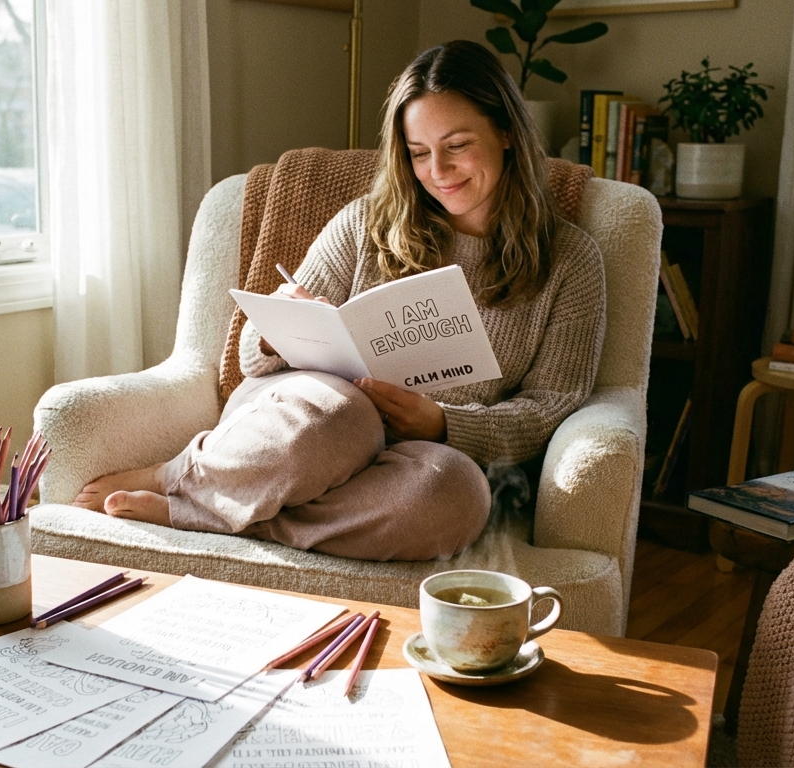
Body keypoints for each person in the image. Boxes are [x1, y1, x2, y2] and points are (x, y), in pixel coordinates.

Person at [74, 40, 606, 561]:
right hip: (305, 424)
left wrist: (445, 425)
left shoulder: (571, 261)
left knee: (458, 494)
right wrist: (284, 320)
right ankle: (180, 476)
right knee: (346, 415)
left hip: (424, 452)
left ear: (507, 133)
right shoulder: (365, 223)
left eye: (458, 145)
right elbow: (250, 360)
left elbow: (550, 407)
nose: (437, 171)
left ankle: (202, 509)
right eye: (419, 153)